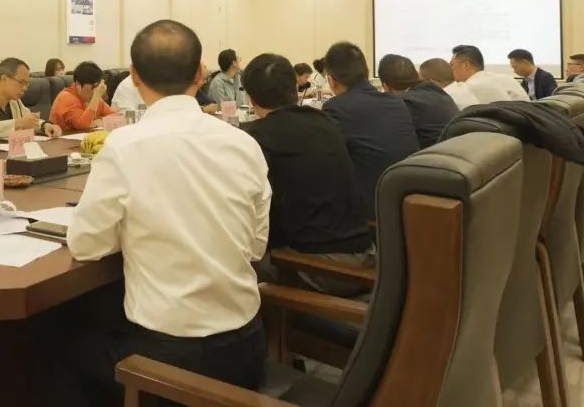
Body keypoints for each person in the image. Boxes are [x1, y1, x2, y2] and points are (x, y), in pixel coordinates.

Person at [63, 20, 271, 406]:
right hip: (247, 347)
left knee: (65, 345)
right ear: (200, 73)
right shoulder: (244, 144)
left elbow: (86, 245)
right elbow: (257, 246)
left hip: (167, 358)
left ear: (134, 76)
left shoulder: (124, 146)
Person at [241, 54, 373, 295]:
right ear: (295, 88)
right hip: (367, 253)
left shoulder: (258, 138)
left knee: (233, 267)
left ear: (251, 99)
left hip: (318, 267)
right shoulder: (325, 122)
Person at [322, 42, 419, 220]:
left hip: (371, 210)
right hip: (407, 200)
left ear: (332, 81)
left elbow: (326, 163)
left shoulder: (336, 108)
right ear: (367, 73)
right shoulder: (396, 103)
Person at [0, 57, 62, 138]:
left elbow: (28, 120)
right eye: (21, 82)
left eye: (26, 84)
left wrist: (45, 126)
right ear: (4, 79)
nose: (25, 88)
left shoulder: (14, 100)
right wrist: (18, 123)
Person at [377, 54, 459, 149]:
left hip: (434, 156)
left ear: (386, 87)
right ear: (417, 74)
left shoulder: (402, 104)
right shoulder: (436, 91)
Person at [49, 61, 118, 133]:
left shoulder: (94, 96)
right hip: (62, 139)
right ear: (78, 84)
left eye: (97, 86)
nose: (95, 90)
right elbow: (82, 125)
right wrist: (96, 96)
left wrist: (101, 120)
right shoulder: (66, 97)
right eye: (93, 86)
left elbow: (117, 117)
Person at [449, 45, 529, 103]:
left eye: (452, 65)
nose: (450, 69)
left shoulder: (468, 87)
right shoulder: (506, 78)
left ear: (466, 65)